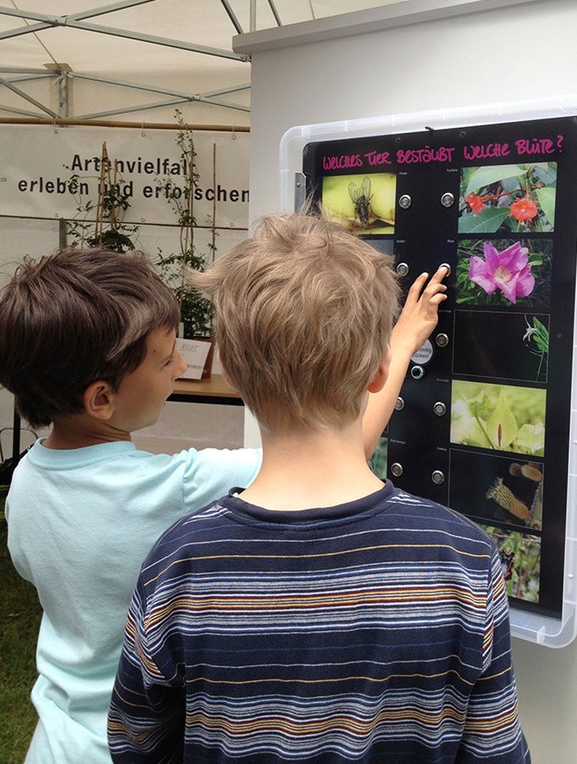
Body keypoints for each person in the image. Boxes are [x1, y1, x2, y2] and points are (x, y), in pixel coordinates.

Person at [0, 241, 446, 764]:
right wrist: (400, 338)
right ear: (102, 399)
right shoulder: (176, 489)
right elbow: (342, 449)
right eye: (168, 359)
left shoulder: (25, 480)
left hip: (56, 740)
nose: (177, 369)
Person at [108, 213, 530, 764]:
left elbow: (135, 744)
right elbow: (496, 752)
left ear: (231, 369)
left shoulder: (180, 562)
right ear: (380, 369)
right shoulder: (464, 559)